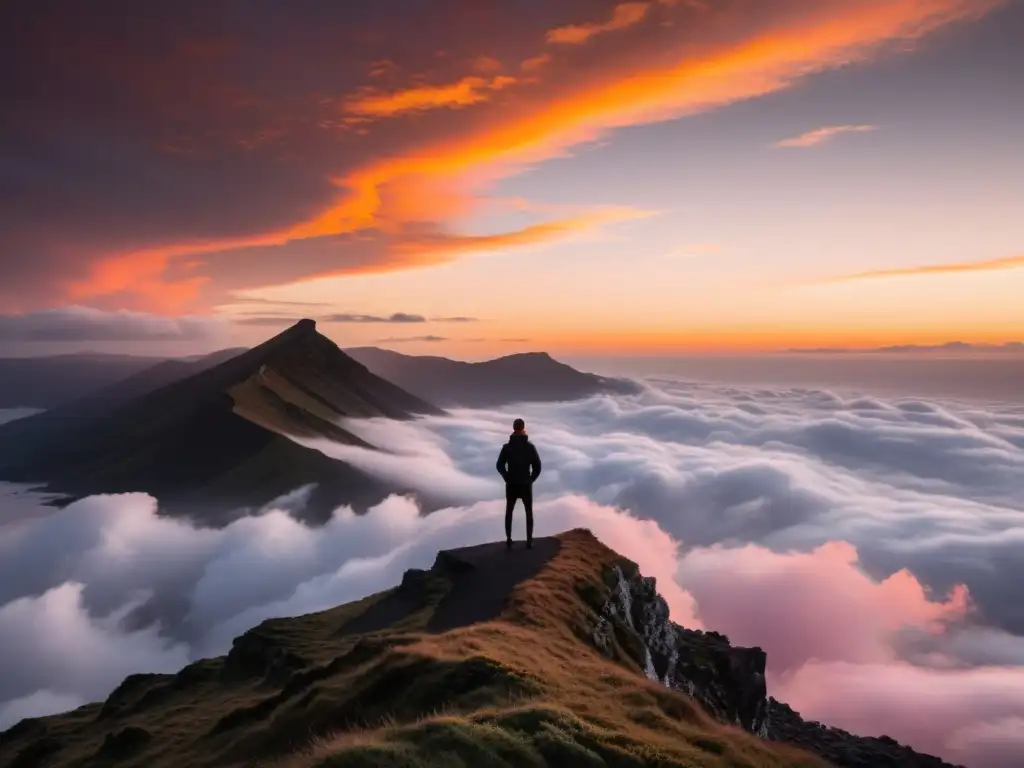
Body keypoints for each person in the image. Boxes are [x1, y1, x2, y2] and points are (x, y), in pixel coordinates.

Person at [495, 418, 542, 549]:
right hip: (525, 484)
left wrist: (506, 476)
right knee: (529, 512)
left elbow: (499, 465)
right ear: (524, 428)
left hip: (511, 484)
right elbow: (537, 467)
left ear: (513, 428)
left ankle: (509, 539)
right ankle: (529, 541)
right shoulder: (530, 447)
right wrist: (530, 479)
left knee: (509, 511)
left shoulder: (507, 447)